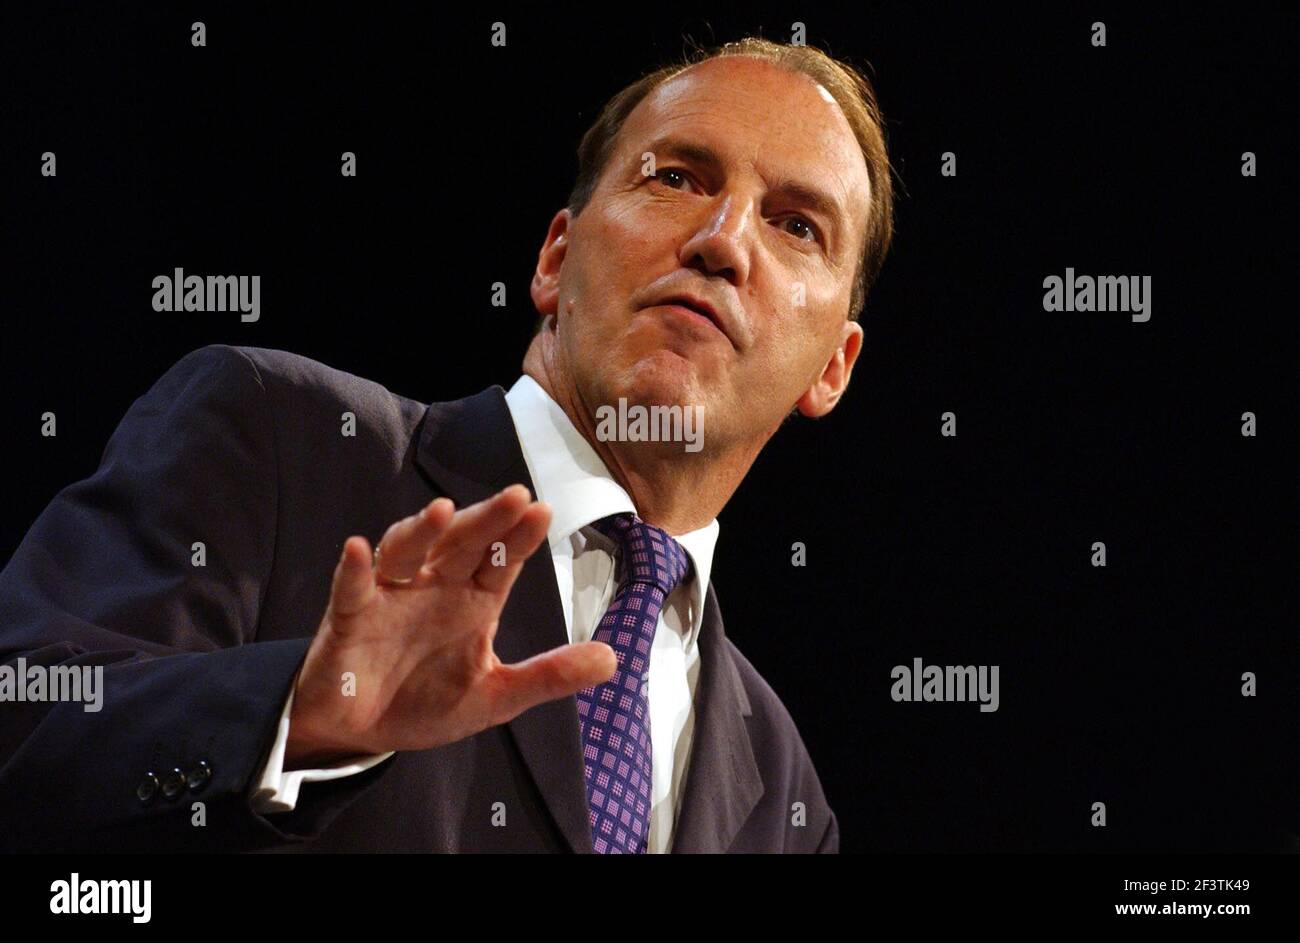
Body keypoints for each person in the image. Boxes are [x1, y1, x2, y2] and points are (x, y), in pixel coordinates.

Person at [0, 36, 893, 853]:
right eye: (677, 178)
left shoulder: (781, 790)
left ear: (834, 369)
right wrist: (299, 718)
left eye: (796, 225)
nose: (723, 241)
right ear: (555, 258)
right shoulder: (276, 436)